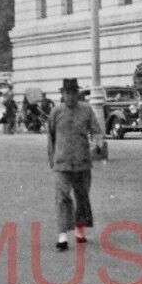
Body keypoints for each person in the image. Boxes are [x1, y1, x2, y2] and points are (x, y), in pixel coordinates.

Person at [47, 78, 105, 251]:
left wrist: (98, 145)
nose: (70, 96)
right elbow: (51, 138)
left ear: (78, 94)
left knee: (82, 197)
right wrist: (52, 160)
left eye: (73, 93)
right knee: (62, 196)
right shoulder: (56, 112)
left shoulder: (86, 110)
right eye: (67, 93)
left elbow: (96, 131)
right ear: (63, 94)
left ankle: (80, 229)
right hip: (61, 163)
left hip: (82, 163)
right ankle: (62, 236)